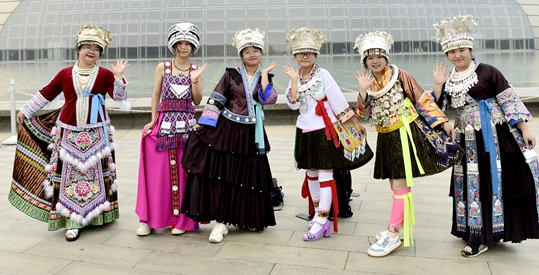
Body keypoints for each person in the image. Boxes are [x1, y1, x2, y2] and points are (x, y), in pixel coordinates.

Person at [432, 15, 539, 258]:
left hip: (495, 136)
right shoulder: (449, 78)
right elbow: (439, 110)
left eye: (461, 50)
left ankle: (485, 234)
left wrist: (525, 129)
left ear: (470, 49)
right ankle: (475, 230)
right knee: (472, 185)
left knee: (493, 182)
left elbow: (509, 101)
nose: (457, 55)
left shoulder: (489, 71)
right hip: (466, 139)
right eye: (451, 52)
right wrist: (439, 86)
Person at [9, 24, 129, 242]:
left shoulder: (104, 75)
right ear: (78, 49)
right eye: (87, 47)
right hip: (68, 135)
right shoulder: (65, 74)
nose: (91, 51)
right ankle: (72, 221)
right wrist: (26, 111)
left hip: (97, 134)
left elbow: (119, 98)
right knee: (69, 179)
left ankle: (98, 216)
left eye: (96, 48)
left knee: (96, 177)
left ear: (100, 53)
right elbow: (46, 93)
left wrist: (119, 78)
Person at [353, 31, 463, 257]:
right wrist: (362, 91)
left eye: (379, 56)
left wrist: (443, 123)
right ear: (365, 61)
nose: (375, 61)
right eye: (370, 57)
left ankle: (393, 234)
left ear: (386, 57)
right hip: (386, 135)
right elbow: (362, 114)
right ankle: (398, 228)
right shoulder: (370, 83)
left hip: (405, 133)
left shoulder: (400, 74)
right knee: (395, 183)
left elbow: (422, 99)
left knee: (401, 183)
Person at [181, 28, 278, 243]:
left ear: (261, 53)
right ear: (241, 56)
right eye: (247, 52)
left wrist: (263, 76)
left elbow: (268, 100)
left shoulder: (266, 77)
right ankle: (220, 223)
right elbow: (216, 99)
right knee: (224, 176)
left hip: (251, 134)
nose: (252, 55)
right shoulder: (231, 75)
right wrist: (203, 124)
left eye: (256, 51)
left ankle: (245, 217)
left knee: (248, 178)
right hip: (226, 131)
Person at [282, 27, 373, 242]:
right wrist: (294, 81)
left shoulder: (323, 75)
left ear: (315, 55)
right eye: (301, 53)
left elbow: (338, 100)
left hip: (326, 130)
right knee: (311, 173)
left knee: (324, 174)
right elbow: (293, 104)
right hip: (305, 131)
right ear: (295, 56)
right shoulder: (294, 77)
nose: (305, 56)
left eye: (309, 53)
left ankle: (323, 220)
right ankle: (316, 215)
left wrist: (354, 122)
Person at [135, 23, 207, 236]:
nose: (183, 47)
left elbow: (197, 100)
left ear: (193, 47)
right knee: (158, 172)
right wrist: (152, 120)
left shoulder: (196, 70)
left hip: (186, 124)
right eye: (180, 43)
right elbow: (156, 95)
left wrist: (194, 81)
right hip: (164, 123)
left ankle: (182, 220)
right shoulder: (162, 67)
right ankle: (149, 219)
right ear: (174, 45)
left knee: (185, 173)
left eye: (187, 44)